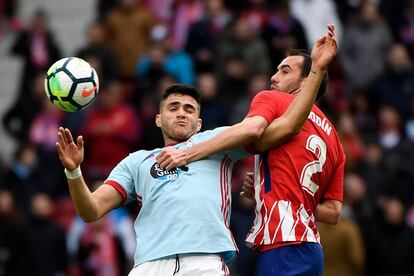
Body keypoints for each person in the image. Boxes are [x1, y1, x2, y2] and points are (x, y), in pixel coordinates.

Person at [56, 24, 336, 275]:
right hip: (149, 266)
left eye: (189, 109)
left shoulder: (220, 141)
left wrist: (315, 74)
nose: (182, 114)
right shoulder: (136, 162)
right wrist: (73, 171)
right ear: (157, 118)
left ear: (199, 122)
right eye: (173, 108)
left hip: (205, 264)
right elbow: (91, 210)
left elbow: (284, 127)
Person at [157, 24, 342, 276]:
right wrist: (270, 191)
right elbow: (332, 212)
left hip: (282, 241)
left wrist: (187, 152)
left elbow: (251, 130)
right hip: (311, 248)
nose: (273, 77)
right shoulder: (334, 139)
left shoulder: (274, 99)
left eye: (284, 71)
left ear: (307, 81)